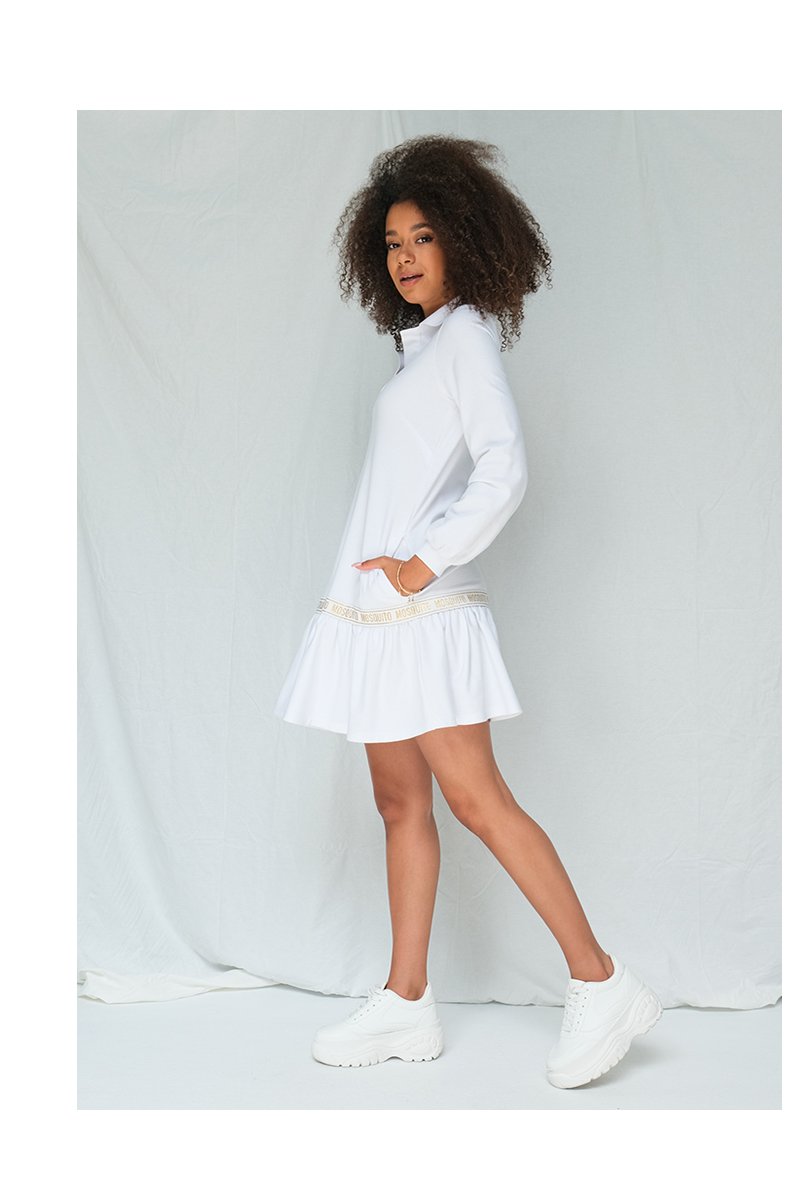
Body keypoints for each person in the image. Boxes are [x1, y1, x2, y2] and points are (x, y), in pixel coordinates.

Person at [274, 134, 662, 1088]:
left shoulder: (468, 336)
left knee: (478, 800)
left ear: (465, 241)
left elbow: (504, 467)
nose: (405, 257)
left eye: (423, 237)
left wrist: (422, 563)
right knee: (398, 801)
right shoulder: (421, 352)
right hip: (377, 616)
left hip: (425, 613)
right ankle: (406, 1000)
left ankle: (601, 979)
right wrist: (387, 575)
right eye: (391, 242)